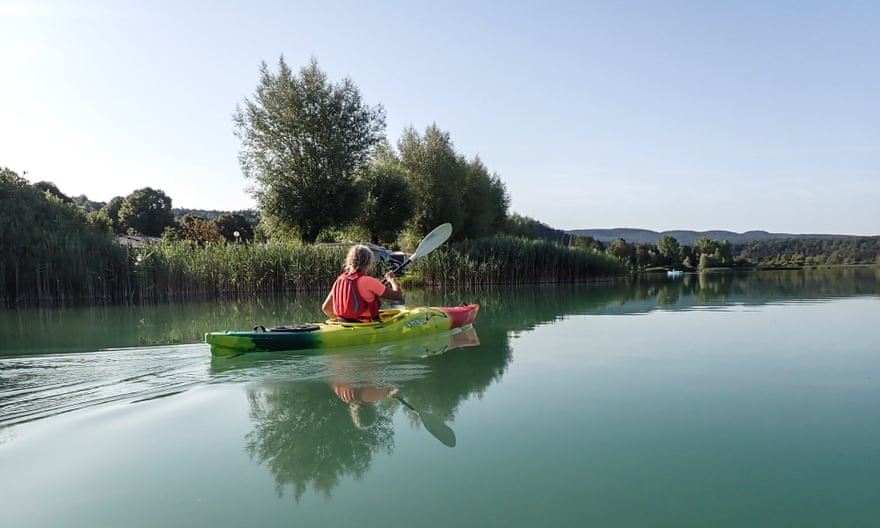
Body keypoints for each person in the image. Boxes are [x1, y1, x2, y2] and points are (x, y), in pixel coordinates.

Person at [322, 244, 404, 322]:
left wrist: (341, 321)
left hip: (342, 324)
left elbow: (326, 308)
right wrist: (392, 280)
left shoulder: (339, 280)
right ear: (368, 262)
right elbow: (398, 296)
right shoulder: (369, 281)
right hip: (364, 326)